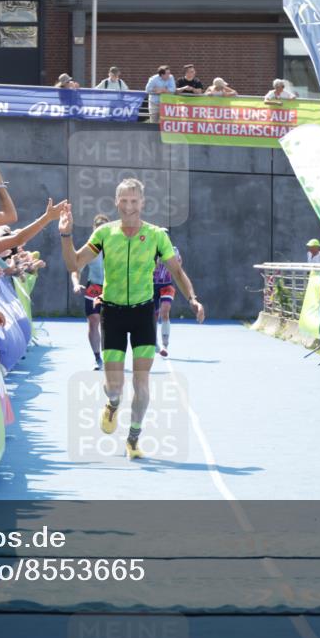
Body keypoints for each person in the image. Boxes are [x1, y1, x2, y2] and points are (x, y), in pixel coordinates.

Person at [59, 178, 205, 460]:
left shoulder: (156, 236)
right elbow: (74, 263)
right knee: (115, 387)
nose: (129, 206)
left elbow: (176, 270)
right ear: (117, 202)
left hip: (142, 314)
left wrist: (193, 298)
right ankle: (112, 405)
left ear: (143, 203)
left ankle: (133, 438)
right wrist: (66, 236)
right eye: (124, 201)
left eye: (134, 201)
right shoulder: (104, 233)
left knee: (141, 383)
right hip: (112, 313)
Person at [71, 214, 110, 370]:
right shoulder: (90, 249)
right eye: (99, 227)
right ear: (94, 229)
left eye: (105, 228)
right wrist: (75, 284)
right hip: (94, 288)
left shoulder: (117, 247)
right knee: (94, 321)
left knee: (109, 325)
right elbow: (76, 270)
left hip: (112, 289)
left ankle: (111, 355)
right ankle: (97, 357)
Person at [152, 245, 181, 357]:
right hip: (152, 286)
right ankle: (154, 341)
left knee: (165, 312)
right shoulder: (150, 248)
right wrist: (156, 262)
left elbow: (178, 268)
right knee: (153, 315)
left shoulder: (174, 250)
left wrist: (171, 262)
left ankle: (165, 345)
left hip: (167, 285)